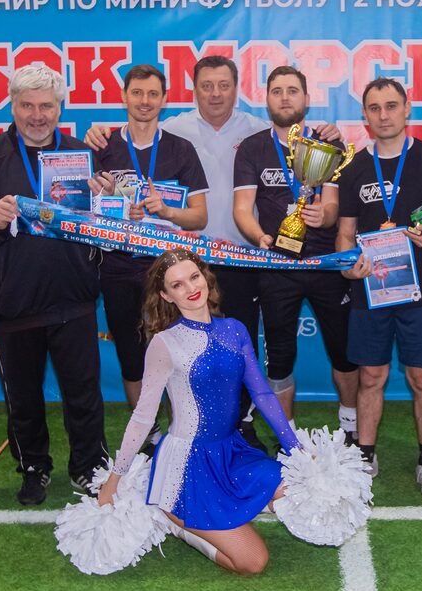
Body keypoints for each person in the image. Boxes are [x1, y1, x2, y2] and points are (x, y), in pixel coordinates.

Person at [86, 55, 343, 447]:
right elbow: (133, 133)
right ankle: (181, 428)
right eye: (206, 85)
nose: (215, 93)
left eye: (224, 85)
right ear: (193, 90)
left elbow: (298, 131)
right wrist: (97, 132)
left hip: (240, 256)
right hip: (186, 260)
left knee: (239, 348)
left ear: (237, 88)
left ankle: (243, 423)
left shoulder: (258, 129)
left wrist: (329, 130)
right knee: (183, 352)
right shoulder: (173, 129)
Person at [0, 63, 107, 506]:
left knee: (84, 394)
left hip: (73, 298)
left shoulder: (81, 156)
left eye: (46, 106)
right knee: (23, 398)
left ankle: (90, 466)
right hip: (13, 302)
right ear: (13, 106)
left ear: (60, 108)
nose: (37, 115)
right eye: (27, 105)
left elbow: (105, 227)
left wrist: (105, 201)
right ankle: (33, 466)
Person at [98, 249, 305, 575]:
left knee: (300, 492)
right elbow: (142, 417)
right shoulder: (164, 343)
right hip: (188, 467)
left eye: (194, 277)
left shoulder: (235, 329)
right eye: (177, 285)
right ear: (166, 295)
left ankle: (221, 513)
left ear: (205, 277)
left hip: (232, 452)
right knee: (253, 562)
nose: (191, 288)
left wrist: (298, 451)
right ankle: (173, 518)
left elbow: (263, 394)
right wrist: (114, 480)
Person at [337, 78, 422, 496]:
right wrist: (348, 268)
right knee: (371, 376)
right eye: (374, 108)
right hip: (371, 291)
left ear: (407, 108)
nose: (384, 115)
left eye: (391, 106)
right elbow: (345, 233)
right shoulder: (355, 167)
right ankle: (365, 456)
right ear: (365, 115)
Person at [233, 66, 360, 431]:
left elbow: (333, 206)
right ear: (266, 99)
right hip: (277, 266)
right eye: (277, 91)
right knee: (279, 357)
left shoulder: (328, 143)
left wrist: (324, 215)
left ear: (306, 98)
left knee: (344, 351)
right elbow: (242, 209)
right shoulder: (253, 148)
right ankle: (286, 436)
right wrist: (259, 237)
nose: (285, 97)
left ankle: (350, 426)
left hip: (326, 265)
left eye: (292, 90)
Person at [87, 64, 208, 409]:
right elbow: (82, 213)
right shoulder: (102, 146)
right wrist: (114, 208)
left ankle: (183, 427)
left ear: (164, 99)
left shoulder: (180, 149)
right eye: (137, 93)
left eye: (153, 94)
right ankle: (148, 432)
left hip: (168, 271)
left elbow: (200, 216)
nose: (144, 101)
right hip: (117, 268)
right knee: (131, 356)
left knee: (178, 356)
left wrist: (167, 211)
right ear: (123, 96)